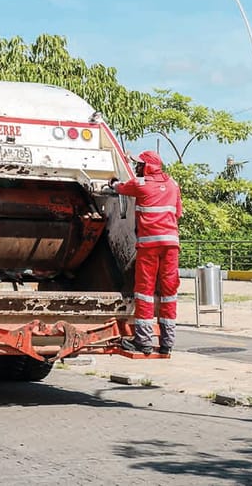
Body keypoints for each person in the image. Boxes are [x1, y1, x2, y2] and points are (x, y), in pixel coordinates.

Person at [111, 150, 183, 355]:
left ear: (147, 166)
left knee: (144, 291)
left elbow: (119, 187)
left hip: (149, 247)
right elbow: (177, 213)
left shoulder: (140, 184)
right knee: (169, 292)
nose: (136, 168)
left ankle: (143, 341)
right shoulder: (173, 185)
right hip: (171, 246)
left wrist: (112, 184)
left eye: (139, 164)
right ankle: (167, 342)